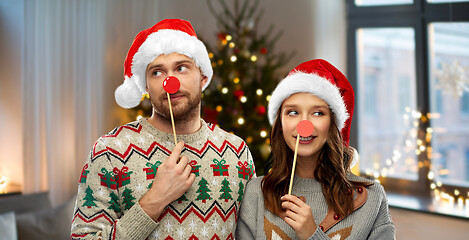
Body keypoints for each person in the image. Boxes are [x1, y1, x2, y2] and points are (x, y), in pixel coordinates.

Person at [70, 19, 256, 240]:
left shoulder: (237, 152)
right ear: (146, 86)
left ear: (203, 76)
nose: (171, 81)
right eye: (157, 72)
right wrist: (155, 200)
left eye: (181, 68)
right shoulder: (109, 151)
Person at [236, 59, 395, 239]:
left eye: (318, 113)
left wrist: (312, 234)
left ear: (333, 124)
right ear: (280, 122)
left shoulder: (372, 199)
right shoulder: (256, 193)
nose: (305, 125)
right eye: (293, 112)